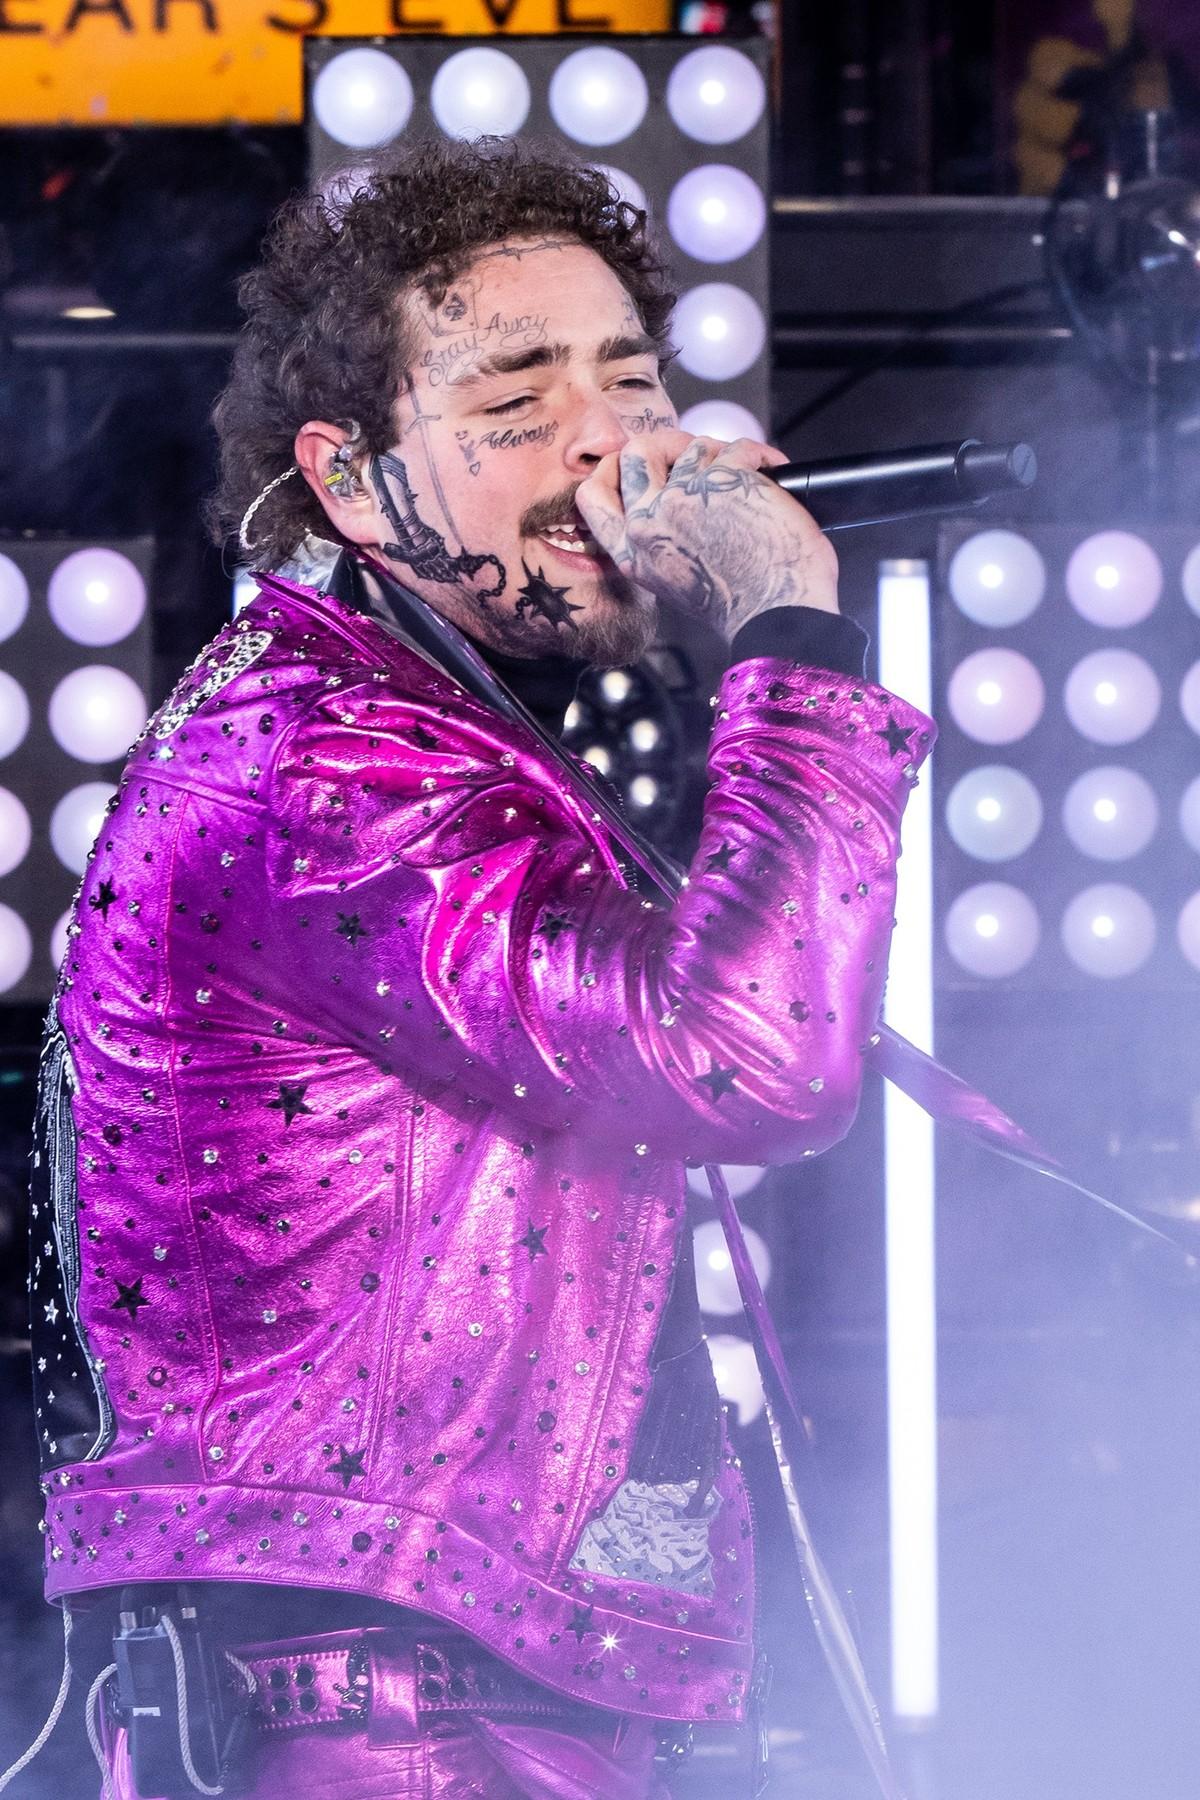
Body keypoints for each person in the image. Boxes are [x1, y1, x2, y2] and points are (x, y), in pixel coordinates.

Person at [27, 136, 933, 1800]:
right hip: (395, 1721)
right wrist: (790, 630)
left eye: (630, 383)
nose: (602, 439)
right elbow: (748, 1053)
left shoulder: (411, 727)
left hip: (460, 1685)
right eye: (515, 403)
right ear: (352, 480)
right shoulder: (324, 762)